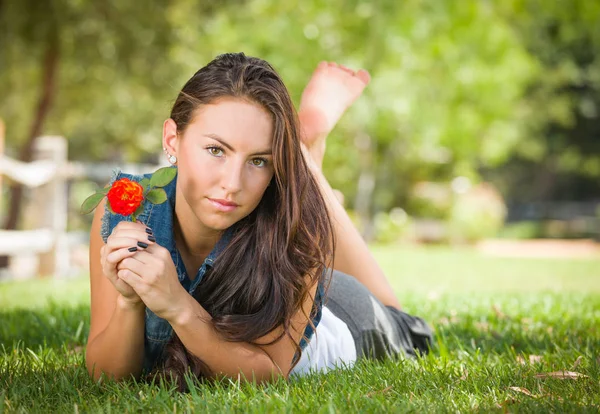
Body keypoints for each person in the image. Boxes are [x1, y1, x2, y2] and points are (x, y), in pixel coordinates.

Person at [85, 53, 432, 390]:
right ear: (172, 139)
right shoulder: (125, 208)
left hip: (339, 322)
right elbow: (107, 376)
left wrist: (178, 306)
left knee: (405, 325)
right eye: (216, 150)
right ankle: (301, 149)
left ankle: (303, 151)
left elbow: (268, 374)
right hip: (290, 285)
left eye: (259, 161)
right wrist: (128, 301)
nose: (232, 184)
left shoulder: (294, 231)